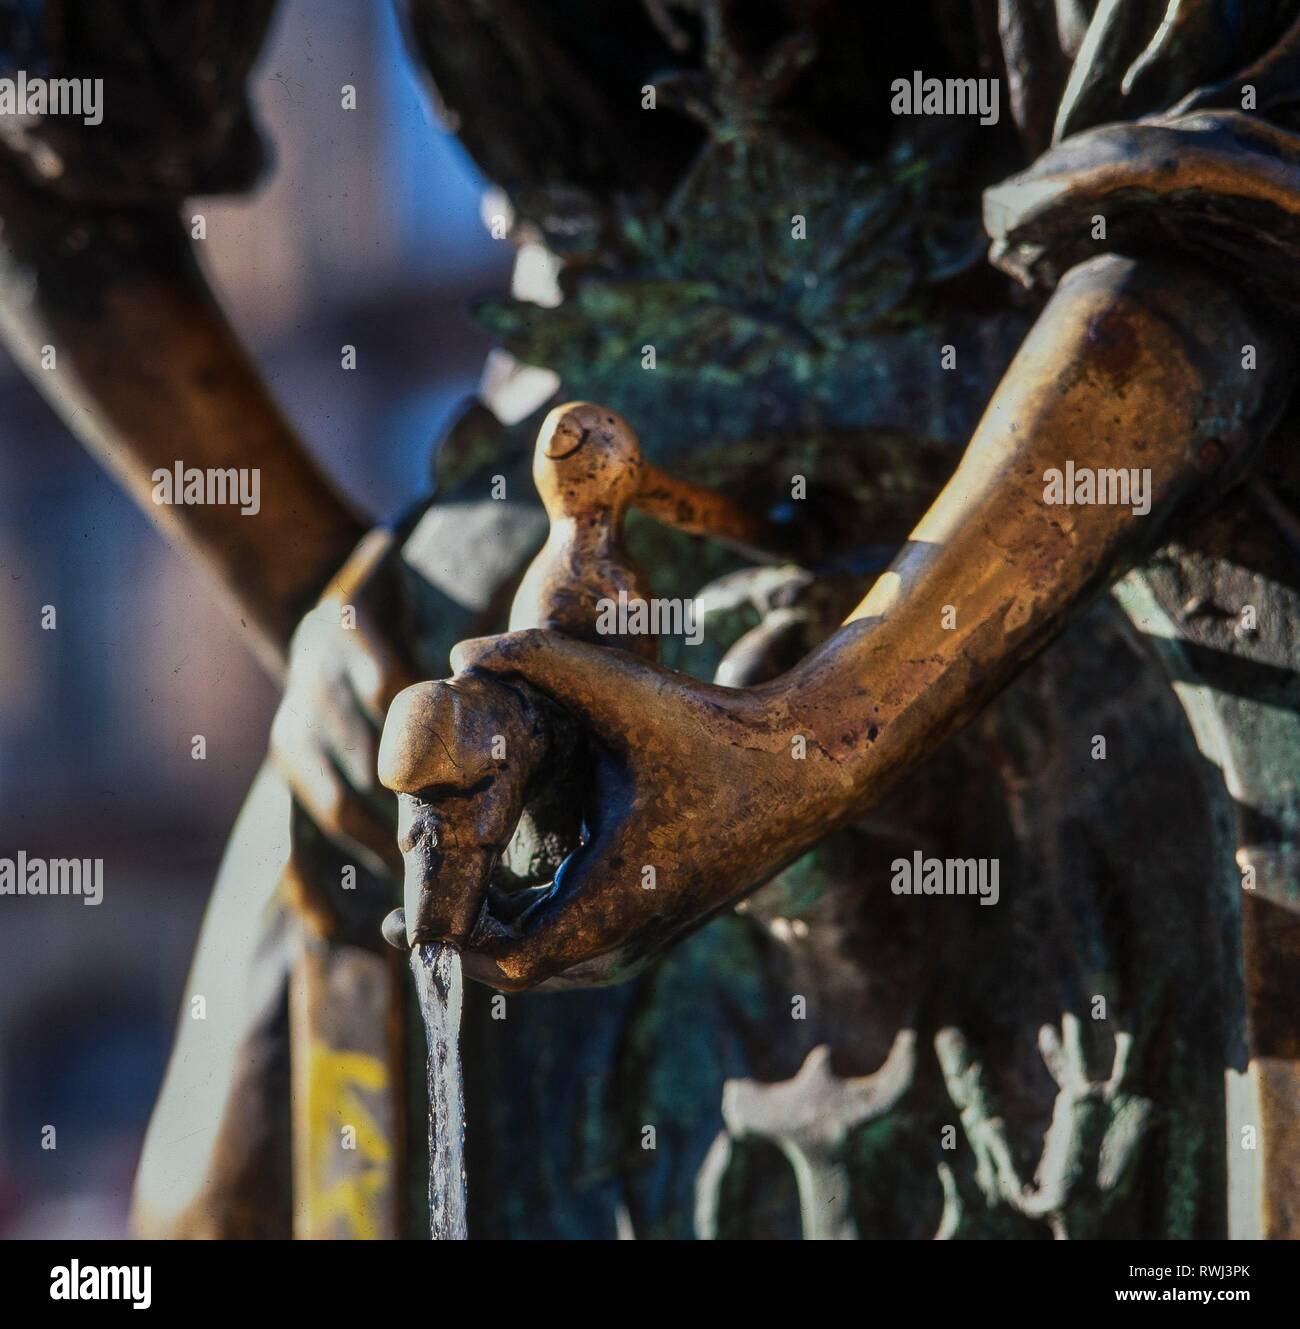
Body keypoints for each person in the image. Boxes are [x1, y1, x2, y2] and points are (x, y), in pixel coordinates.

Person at [3, 0, 1297, 1238]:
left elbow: (1230, 189)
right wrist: (317, 594)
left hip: (1097, 498)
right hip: (539, 543)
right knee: (226, 1199)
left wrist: (826, 728)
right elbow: (35, 155)